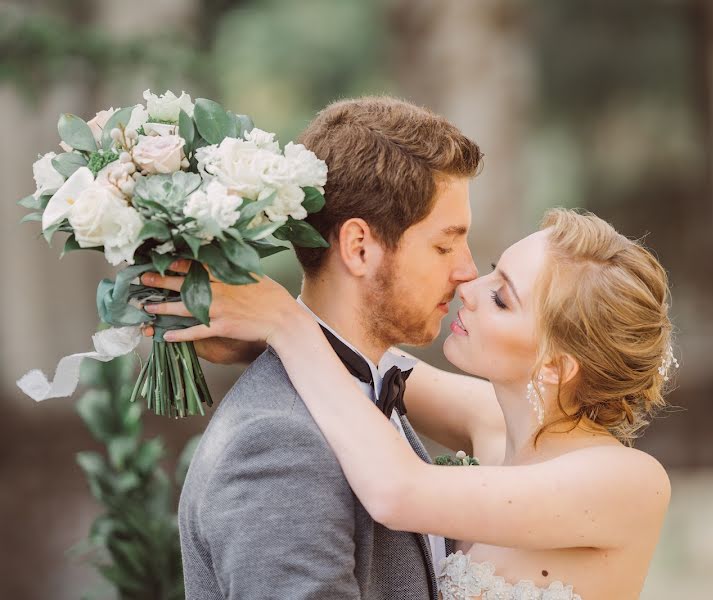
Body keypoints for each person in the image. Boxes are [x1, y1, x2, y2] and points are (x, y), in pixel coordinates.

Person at [144, 208, 675, 599]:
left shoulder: (625, 481)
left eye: (501, 297)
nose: (469, 284)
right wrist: (239, 308)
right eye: (492, 268)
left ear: (557, 365)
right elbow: (355, 350)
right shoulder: (495, 423)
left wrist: (283, 322)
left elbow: (397, 491)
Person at [161, 96, 483, 599]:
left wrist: (285, 325)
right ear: (358, 247)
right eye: (444, 245)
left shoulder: (364, 389)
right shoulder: (275, 443)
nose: (468, 272)